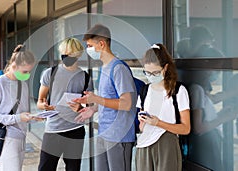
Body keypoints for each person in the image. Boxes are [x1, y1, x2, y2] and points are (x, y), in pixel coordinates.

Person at [73, 24, 137, 171]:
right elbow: (108, 99)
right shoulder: (104, 67)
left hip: (119, 136)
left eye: (90, 45)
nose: (88, 50)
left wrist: (96, 99)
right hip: (104, 133)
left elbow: (126, 103)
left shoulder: (118, 68)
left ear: (101, 44)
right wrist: (93, 109)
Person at [37, 38, 93, 171]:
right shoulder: (50, 73)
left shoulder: (85, 77)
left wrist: (80, 108)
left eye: (70, 55)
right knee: (45, 168)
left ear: (78, 55)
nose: (66, 57)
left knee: (73, 169)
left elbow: (89, 107)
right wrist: (44, 106)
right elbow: (40, 101)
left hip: (75, 130)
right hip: (53, 130)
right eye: (64, 54)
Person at [135, 43, 190, 171]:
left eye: (155, 72)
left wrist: (158, 123)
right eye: (147, 72)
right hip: (144, 145)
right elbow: (141, 126)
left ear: (165, 68)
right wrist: (143, 123)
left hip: (167, 144)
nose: (151, 76)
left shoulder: (178, 91)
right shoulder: (144, 91)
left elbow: (186, 128)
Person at [0, 45, 37, 171]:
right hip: (5, 139)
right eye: (25, 71)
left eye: (29, 71)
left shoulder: (23, 84)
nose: (27, 75)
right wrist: (18, 117)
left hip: (21, 137)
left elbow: (22, 113)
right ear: (13, 66)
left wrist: (33, 117)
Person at [182, 70, 238, 171]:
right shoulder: (196, 89)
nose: (214, 74)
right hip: (207, 144)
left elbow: (213, 99)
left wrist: (221, 114)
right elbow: (198, 128)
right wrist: (223, 118)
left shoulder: (198, 90)